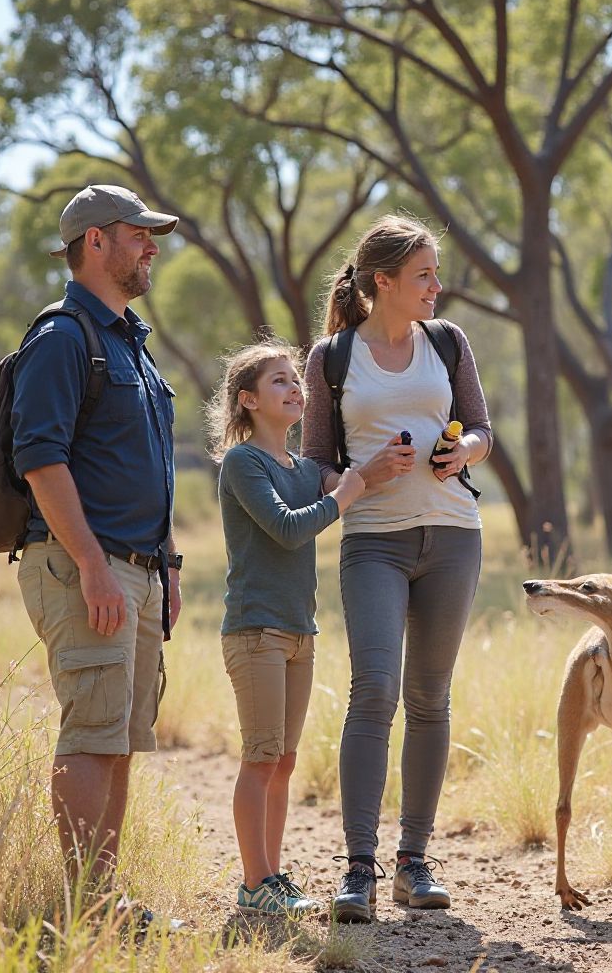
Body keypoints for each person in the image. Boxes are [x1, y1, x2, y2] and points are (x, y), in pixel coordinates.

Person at [302, 214, 492, 923]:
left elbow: (482, 428)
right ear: (383, 282)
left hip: (453, 535)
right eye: (424, 276)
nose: (437, 288)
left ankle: (415, 862)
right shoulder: (332, 357)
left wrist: (462, 452)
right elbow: (317, 462)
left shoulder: (447, 342)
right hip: (373, 541)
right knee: (374, 690)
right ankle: (359, 869)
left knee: (430, 697)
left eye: (435, 275)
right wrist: (360, 476)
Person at [12, 184, 183, 929]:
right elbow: (41, 460)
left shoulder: (129, 342)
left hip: (140, 571)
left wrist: (167, 566)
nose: (151, 245)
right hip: (87, 567)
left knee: (118, 740)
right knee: (91, 733)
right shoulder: (60, 337)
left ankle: (105, 903)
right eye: (138, 234)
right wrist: (89, 565)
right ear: (95, 244)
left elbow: (150, 466)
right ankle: (84, 910)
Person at [205, 338, 366, 916]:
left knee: (285, 760)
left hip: (301, 633)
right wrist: (343, 497)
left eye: (296, 378)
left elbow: (344, 484)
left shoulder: (301, 468)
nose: (295, 387)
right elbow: (286, 528)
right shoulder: (243, 463)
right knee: (260, 756)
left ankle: (272, 878)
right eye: (278, 381)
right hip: (256, 632)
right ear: (247, 401)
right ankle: (254, 884)